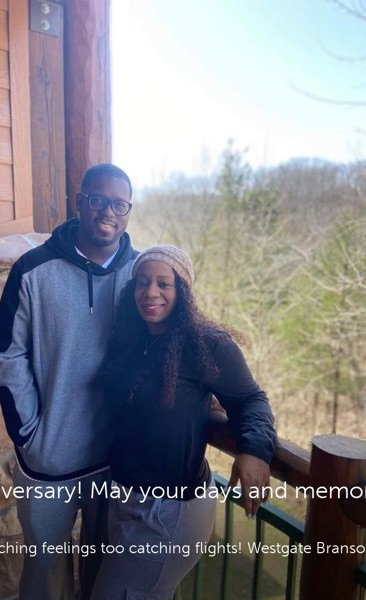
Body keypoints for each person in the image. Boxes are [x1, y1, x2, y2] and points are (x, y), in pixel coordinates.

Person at [90, 245, 276, 600]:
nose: (151, 293)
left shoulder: (206, 345)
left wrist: (254, 450)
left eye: (164, 283)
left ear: (183, 291)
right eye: (142, 283)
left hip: (170, 511)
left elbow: (251, 400)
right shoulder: (132, 338)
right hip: (125, 498)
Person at [0, 163, 139, 599]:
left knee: (105, 577)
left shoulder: (140, 275)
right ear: (80, 203)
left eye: (119, 204)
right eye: (98, 200)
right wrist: (31, 434)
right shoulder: (33, 270)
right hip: (49, 464)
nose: (107, 212)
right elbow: (7, 353)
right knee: (44, 577)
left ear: (129, 211)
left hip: (115, 462)